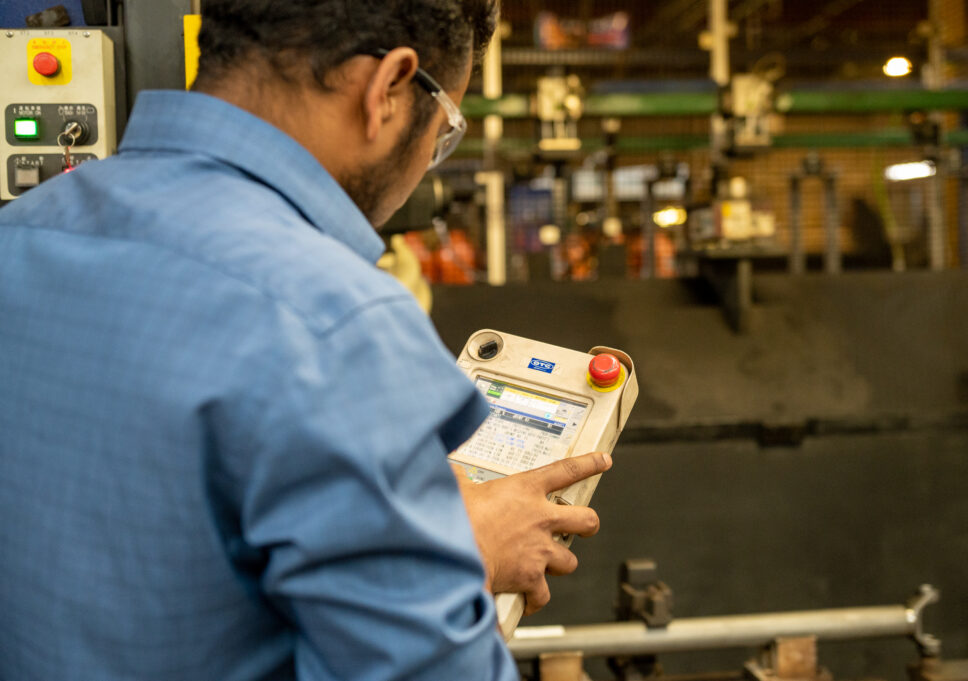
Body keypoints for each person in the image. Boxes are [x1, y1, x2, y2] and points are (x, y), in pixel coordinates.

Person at [0, 1, 612, 680]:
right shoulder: (336, 325)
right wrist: (453, 558)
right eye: (443, 134)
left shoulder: (21, 236)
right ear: (389, 89)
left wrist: (408, 537)